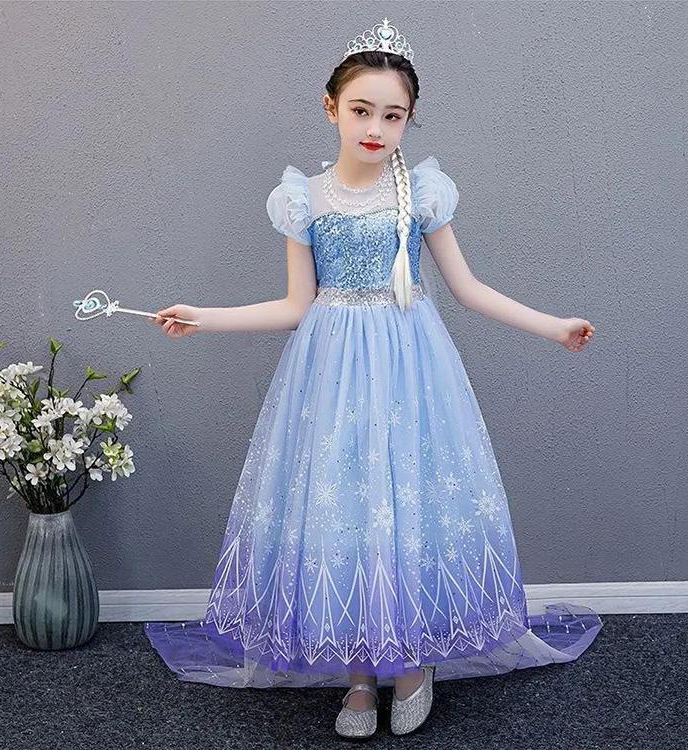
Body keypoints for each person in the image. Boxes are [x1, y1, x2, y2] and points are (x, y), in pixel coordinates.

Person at [143, 17, 602, 740]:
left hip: (410, 366)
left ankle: (411, 662)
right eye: (361, 110)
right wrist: (205, 318)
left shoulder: (421, 194)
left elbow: (468, 289)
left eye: (393, 115)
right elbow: (295, 305)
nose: (376, 128)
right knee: (347, 508)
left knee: (405, 503)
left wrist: (554, 326)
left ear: (410, 119)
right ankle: (360, 671)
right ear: (331, 108)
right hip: (330, 372)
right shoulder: (305, 199)